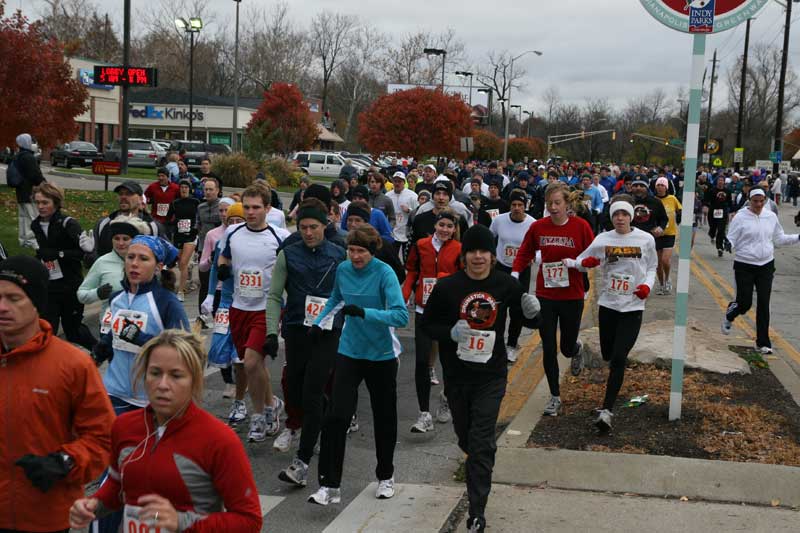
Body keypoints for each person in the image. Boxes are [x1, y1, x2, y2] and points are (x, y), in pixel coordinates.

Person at [70, 330, 263, 532]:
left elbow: (249, 520)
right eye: (155, 373)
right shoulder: (124, 427)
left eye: (176, 375)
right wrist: (93, 505)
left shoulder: (219, 440)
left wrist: (181, 522)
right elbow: (117, 486)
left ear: (194, 380)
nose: (163, 385)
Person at [422, 224, 541, 533]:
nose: (478, 256)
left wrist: (533, 311)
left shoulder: (505, 285)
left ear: (492, 254)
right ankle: (479, 455)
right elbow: (427, 325)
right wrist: (449, 332)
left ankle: (477, 514)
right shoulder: (448, 288)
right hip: (458, 376)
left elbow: (530, 317)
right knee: (467, 437)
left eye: (483, 251)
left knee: (481, 441)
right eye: (472, 251)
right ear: (464, 256)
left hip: (491, 375)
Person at [0, 256, 115, 533]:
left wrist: (66, 461)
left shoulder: (72, 364)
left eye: (14, 298)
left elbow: (104, 438)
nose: (2, 307)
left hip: (46, 516)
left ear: (37, 302)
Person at [307, 225, 409, 506]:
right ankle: (329, 485)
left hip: (382, 354)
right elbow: (336, 299)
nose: (355, 256)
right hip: (350, 350)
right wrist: (319, 323)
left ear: (372, 251)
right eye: (351, 250)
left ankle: (385, 476)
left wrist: (365, 312)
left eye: (360, 251)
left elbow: (401, 316)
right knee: (336, 416)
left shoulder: (384, 273)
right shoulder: (343, 270)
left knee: (384, 417)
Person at [270, 199, 346, 482]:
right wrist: (269, 331)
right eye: (303, 227)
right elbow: (275, 295)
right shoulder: (288, 254)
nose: (308, 232)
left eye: (313, 227)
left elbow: (349, 293)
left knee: (313, 391)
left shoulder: (339, 255)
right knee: (297, 387)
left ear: (324, 225)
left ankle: (300, 463)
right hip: (296, 330)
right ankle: (323, 418)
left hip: (327, 332)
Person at [568, 197, 657, 432]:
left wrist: (647, 286)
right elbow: (581, 261)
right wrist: (585, 263)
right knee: (608, 353)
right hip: (608, 305)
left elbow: (652, 267)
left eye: (624, 215)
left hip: (633, 307)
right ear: (611, 217)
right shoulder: (603, 239)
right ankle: (605, 398)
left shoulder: (645, 239)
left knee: (619, 358)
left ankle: (607, 411)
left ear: (631, 217)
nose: (620, 218)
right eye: (616, 214)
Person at [512, 182, 594, 416]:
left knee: (565, 347)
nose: (553, 207)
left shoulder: (581, 227)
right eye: (549, 204)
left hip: (572, 295)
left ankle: (576, 349)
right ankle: (555, 396)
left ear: (567, 203)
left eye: (557, 203)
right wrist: (515, 272)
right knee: (548, 346)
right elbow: (525, 252)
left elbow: (594, 255)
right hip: (546, 294)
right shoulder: (539, 227)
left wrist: (578, 264)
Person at [218, 184, 291, 442]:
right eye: (247, 207)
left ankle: (258, 416)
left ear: (268, 208)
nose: (250, 212)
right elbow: (224, 258)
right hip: (239, 307)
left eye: (256, 207)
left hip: (267, 309)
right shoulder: (233, 232)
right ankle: (272, 404)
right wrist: (223, 269)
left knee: (250, 362)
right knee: (254, 365)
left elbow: (291, 270)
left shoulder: (280, 236)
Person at [402, 210, 462, 433]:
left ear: (454, 229)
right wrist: (404, 294)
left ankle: (445, 397)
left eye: (449, 226)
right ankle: (424, 413)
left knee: (448, 362)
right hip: (423, 310)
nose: (444, 229)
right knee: (421, 363)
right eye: (441, 225)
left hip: (447, 313)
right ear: (435, 226)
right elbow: (411, 272)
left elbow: (462, 278)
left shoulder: (458, 249)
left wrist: (445, 281)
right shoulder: (421, 245)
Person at [722, 188, 799, 354]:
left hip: (766, 265)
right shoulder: (740, 217)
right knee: (745, 303)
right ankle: (730, 314)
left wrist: (797, 237)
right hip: (744, 264)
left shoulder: (770, 216)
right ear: (749, 200)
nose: (758, 204)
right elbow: (732, 238)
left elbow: (779, 238)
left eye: (761, 201)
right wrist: (728, 244)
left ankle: (763, 343)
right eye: (755, 201)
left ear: (765, 200)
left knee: (764, 303)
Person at [31, 183, 97, 350]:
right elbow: (43, 253)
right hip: (50, 285)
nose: (40, 207)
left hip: (70, 284)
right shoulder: (36, 225)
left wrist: (59, 254)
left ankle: (99, 350)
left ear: (56, 202)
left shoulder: (68, 224)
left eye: (45, 202)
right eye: (38, 202)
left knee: (73, 330)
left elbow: (82, 253)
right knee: (47, 328)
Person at [201, 200, 244, 407]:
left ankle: (240, 389)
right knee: (218, 346)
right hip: (225, 301)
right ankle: (229, 381)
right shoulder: (220, 242)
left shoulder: (250, 243)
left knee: (240, 352)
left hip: (245, 302)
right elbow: (214, 271)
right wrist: (210, 295)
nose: (235, 223)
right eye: (232, 220)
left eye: (239, 220)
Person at [78, 216, 150, 337]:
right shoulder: (102, 262)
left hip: (141, 326)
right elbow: (81, 294)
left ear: (135, 240)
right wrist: (97, 293)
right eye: (116, 238)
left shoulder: (147, 261)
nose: (120, 243)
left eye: (125, 239)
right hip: (110, 329)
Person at [490, 190, 536, 362]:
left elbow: (539, 247)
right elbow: (490, 237)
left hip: (522, 270)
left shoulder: (532, 224)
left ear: (525, 206)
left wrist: (533, 257)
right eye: (514, 205)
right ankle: (497, 344)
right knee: (499, 307)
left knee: (517, 310)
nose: (517, 208)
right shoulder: (499, 220)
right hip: (502, 268)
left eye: (520, 205)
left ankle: (512, 345)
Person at [82, 180, 161, 261]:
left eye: (128, 194)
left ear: (140, 199)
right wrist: (90, 253)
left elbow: (163, 259)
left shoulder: (152, 227)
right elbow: (92, 262)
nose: (123, 197)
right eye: (120, 194)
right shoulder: (103, 224)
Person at [345, 202, 405, 281]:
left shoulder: (381, 245)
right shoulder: (343, 242)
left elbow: (399, 274)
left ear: (366, 222)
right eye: (350, 220)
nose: (353, 224)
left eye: (357, 220)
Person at [167, 179, 200, 301]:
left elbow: (199, 218)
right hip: (178, 236)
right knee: (179, 263)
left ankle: (181, 291)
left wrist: (195, 229)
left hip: (191, 235)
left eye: (186, 187)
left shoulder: (195, 202)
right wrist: (174, 222)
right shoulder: (175, 203)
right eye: (182, 187)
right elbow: (168, 219)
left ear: (190, 189)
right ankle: (179, 284)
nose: (184, 189)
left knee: (183, 262)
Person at [10, 133, 45, 249]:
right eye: (31, 141)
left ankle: (23, 239)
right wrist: (45, 184)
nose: (33, 144)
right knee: (32, 216)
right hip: (30, 192)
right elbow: (35, 175)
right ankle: (31, 240)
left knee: (23, 216)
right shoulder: (28, 157)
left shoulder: (18, 155)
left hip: (20, 191)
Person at [196, 177, 222, 317]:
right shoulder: (200, 207)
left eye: (211, 189)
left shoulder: (223, 207)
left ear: (217, 191)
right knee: (204, 283)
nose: (208, 192)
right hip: (203, 248)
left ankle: (218, 311)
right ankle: (202, 315)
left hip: (220, 250)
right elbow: (198, 225)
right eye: (206, 189)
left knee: (218, 284)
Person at [653, 177, 682, 294]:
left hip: (670, 233)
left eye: (662, 185)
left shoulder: (672, 199)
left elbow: (680, 209)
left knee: (665, 260)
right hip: (656, 234)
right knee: (658, 263)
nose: (660, 187)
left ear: (666, 187)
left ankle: (667, 279)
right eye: (658, 185)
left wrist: (680, 218)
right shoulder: (653, 200)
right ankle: (661, 284)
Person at [388, 171, 418, 261]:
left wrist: (409, 210)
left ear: (404, 183)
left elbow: (418, 212)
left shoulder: (412, 196)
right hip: (393, 232)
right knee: (393, 259)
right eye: (395, 181)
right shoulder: (388, 195)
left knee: (407, 259)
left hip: (406, 232)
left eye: (400, 181)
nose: (397, 183)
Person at [704, 175, 733, 257]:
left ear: (724, 182)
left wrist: (731, 211)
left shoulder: (727, 191)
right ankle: (712, 234)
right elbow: (706, 200)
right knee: (713, 227)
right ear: (717, 181)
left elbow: (730, 202)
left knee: (721, 230)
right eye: (719, 180)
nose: (720, 182)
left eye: (722, 180)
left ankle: (719, 247)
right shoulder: (712, 190)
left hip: (723, 211)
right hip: (713, 211)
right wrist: (705, 206)